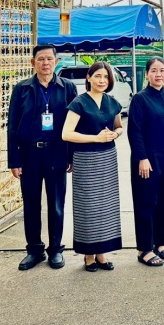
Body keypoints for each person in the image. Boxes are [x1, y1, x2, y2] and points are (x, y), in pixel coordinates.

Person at [7, 44, 77, 271]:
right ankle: (34, 250)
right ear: (33, 63)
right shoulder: (22, 89)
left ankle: (56, 249)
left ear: (56, 62)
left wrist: (72, 155)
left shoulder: (67, 88)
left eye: (49, 59)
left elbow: (76, 123)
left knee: (56, 204)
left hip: (57, 153)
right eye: (41, 59)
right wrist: (14, 160)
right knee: (31, 204)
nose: (45, 63)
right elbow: (12, 126)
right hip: (30, 154)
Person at [62, 61, 123, 272]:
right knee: (88, 207)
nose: (102, 80)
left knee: (106, 206)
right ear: (88, 78)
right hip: (86, 160)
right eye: (97, 76)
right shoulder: (79, 103)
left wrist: (115, 134)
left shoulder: (112, 102)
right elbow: (66, 134)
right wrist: (96, 138)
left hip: (108, 159)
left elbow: (119, 126)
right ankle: (89, 255)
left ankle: (102, 254)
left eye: (105, 77)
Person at [128, 57, 164, 267]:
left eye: (162, 70)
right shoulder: (140, 99)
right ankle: (144, 248)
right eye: (154, 70)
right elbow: (135, 131)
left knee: (163, 202)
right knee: (146, 202)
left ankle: (159, 243)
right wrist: (141, 157)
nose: (158, 74)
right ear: (147, 74)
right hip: (147, 159)